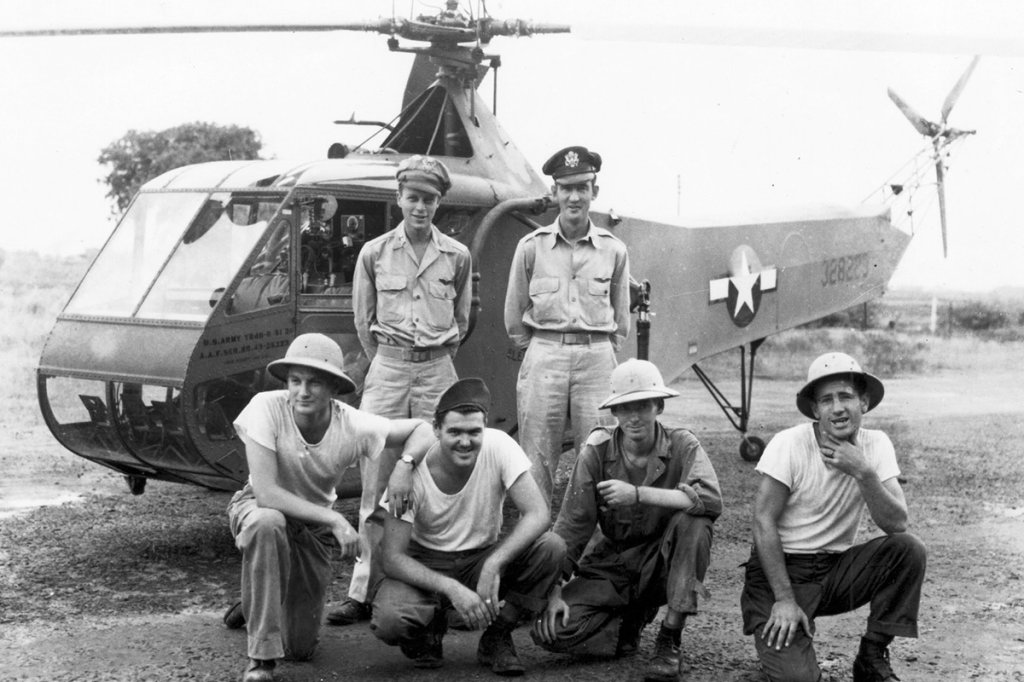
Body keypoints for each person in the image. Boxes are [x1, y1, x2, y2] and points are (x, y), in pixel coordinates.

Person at [225, 333, 435, 682]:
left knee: (301, 649)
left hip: (312, 529)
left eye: (315, 383)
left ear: (334, 388)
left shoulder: (351, 424)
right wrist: (336, 518)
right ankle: (260, 661)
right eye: (295, 381)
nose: (303, 392)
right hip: (260, 508)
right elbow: (266, 493)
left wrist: (404, 466)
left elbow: (423, 428)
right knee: (267, 523)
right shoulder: (265, 407)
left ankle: (256, 601)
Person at [328, 155, 472, 626]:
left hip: (437, 371)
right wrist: (389, 361)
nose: (420, 207)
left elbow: (462, 321)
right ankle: (363, 592)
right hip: (388, 369)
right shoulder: (373, 253)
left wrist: (431, 356)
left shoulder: (456, 256)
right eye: (413, 197)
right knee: (376, 482)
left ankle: (428, 588)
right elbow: (362, 320)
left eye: (429, 199)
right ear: (399, 199)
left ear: (439, 203)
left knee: (436, 477)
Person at [531, 359, 723, 682]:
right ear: (614, 412)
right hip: (614, 564)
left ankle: (669, 637)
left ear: (658, 406)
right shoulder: (597, 450)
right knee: (549, 631)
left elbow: (710, 499)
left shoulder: (682, 444)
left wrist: (637, 493)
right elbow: (572, 527)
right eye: (624, 407)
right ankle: (628, 624)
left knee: (695, 523)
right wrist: (553, 592)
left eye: (642, 405)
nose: (634, 417)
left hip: (663, 562)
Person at [740, 352, 927, 682]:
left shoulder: (876, 444)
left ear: (864, 402)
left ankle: (871, 656)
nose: (838, 408)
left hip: (833, 571)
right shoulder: (790, 443)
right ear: (815, 410)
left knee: (908, 550)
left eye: (846, 396)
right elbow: (762, 520)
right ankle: (778, 661)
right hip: (779, 573)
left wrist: (863, 471)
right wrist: (783, 599)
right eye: (827, 400)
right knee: (798, 679)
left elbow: (896, 524)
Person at [370, 378, 566, 676]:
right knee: (390, 620)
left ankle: (498, 635)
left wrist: (494, 565)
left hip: (480, 557)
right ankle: (428, 630)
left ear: (485, 427)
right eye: (455, 432)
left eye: (474, 431)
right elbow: (393, 558)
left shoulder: (499, 446)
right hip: (426, 560)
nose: (465, 441)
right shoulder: (411, 472)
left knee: (551, 547)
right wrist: (451, 588)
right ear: (436, 430)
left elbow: (538, 514)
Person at [503, 145, 631, 504]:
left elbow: (621, 320)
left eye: (583, 187)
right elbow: (514, 315)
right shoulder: (531, 247)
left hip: (596, 357)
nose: (574, 196)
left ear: (595, 192)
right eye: (566, 188)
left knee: (601, 453)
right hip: (545, 355)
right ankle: (538, 543)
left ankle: (593, 546)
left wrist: (598, 350)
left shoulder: (614, 250)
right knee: (537, 457)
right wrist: (543, 350)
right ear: (554, 192)